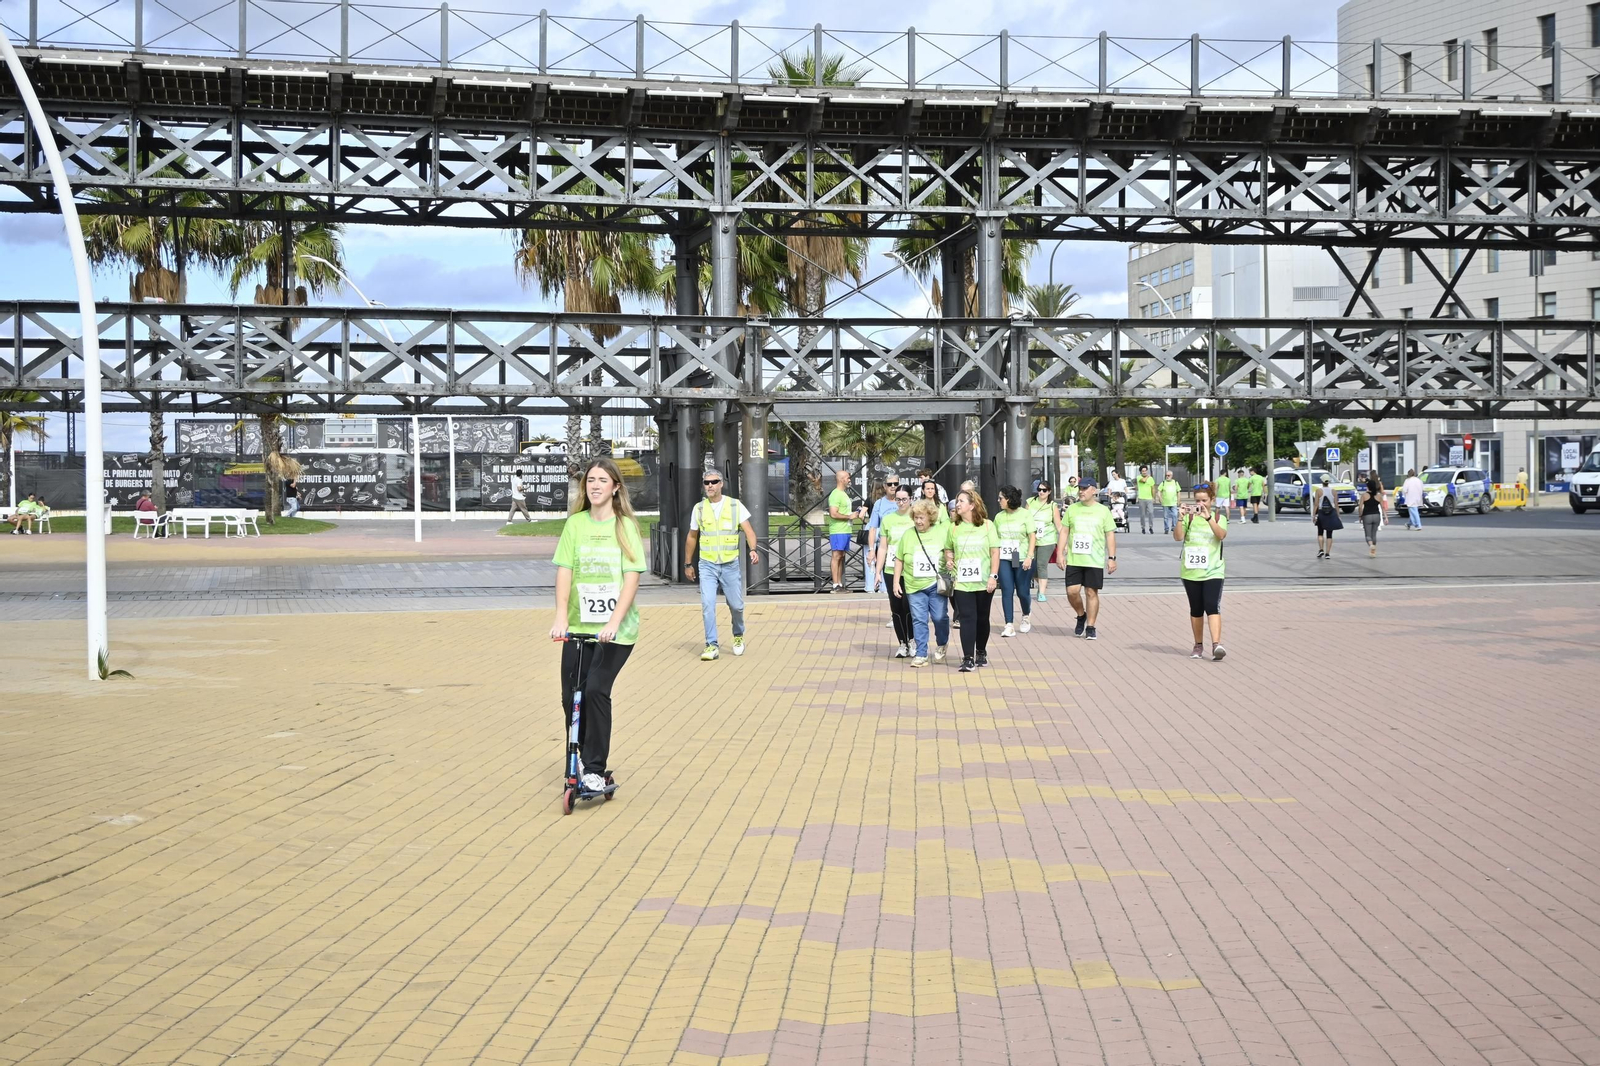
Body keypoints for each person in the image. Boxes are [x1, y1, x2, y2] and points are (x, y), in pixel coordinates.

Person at [549, 457, 646, 796]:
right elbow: (564, 570)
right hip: (578, 627)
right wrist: (561, 615)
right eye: (590, 480)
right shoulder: (575, 525)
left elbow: (632, 578)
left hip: (615, 632)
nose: (595, 485)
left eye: (603, 480)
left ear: (615, 487)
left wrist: (614, 622)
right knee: (569, 697)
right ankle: (576, 758)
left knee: (595, 692)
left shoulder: (625, 527)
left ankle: (594, 769)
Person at [684, 468, 761, 661]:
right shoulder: (699, 508)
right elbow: (692, 536)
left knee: (736, 605)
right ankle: (711, 644)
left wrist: (752, 549)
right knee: (707, 604)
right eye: (706, 482)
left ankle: (738, 635)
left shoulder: (735, 506)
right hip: (707, 565)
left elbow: (749, 531)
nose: (710, 485)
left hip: (730, 564)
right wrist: (688, 563)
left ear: (721, 484)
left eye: (714, 482)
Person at [892, 499, 951, 668]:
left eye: (922, 518)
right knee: (919, 619)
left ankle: (942, 642)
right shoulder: (908, 535)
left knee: (939, 617)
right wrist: (896, 582)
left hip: (936, 584)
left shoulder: (941, 532)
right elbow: (899, 559)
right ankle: (921, 653)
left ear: (930, 518)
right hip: (913, 585)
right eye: (916, 517)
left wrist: (949, 561)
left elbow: (949, 551)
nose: (918, 521)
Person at [1174, 483, 1228, 661]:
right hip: (1191, 571)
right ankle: (1198, 644)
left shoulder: (1218, 517)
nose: (1201, 504)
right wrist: (1181, 518)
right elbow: (1178, 537)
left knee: (1212, 606)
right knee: (1196, 609)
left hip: (1213, 570)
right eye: (1197, 500)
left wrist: (1208, 518)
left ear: (1212, 500)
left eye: (1204, 500)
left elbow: (1221, 535)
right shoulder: (1189, 518)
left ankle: (1216, 644)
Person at [949, 489, 1000, 672]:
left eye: (961, 501)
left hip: (984, 580)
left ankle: (981, 651)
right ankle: (968, 658)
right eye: (957, 501)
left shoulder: (987, 525)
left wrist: (993, 576)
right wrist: (949, 559)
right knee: (967, 617)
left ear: (972, 505)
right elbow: (948, 549)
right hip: (962, 581)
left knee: (982, 617)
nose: (958, 504)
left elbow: (995, 552)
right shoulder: (953, 527)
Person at [1063, 478, 1117, 640]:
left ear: (1094, 490)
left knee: (1091, 592)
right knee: (1072, 592)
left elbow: (1110, 534)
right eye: (1080, 488)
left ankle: (1091, 626)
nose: (1081, 491)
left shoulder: (1103, 511)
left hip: (1094, 559)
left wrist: (1112, 557)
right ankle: (1081, 615)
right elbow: (1064, 531)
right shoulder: (1072, 510)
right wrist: (1059, 553)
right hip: (1074, 559)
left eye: (1085, 488)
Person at [875, 486, 916, 658]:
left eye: (904, 499)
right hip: (891, 569)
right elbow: (883, 547)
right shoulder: (888, 519)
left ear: (911, 498)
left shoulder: (916, 517)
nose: (901, 503)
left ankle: (913, 640)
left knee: (909, 605)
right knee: (896, 607)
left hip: (911, 569)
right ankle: (902, 643)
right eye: (897, 499)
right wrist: (878, 571)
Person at [993, 485, 1035, 638]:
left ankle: (1026, 614)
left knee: (1022, 591)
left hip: (1020, 555)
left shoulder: (1025, 515)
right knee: (1007, 589)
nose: (998, 501)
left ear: (1009, 499)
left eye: (1001, 498)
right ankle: (1009, 623)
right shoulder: (999, 517)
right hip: (1004, 556)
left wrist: (1030, 556)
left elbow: (1032, 536)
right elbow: (995, 538)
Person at [825, 468, 863, 593]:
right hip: (838, 530)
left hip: (845, 529)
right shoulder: (835, 494)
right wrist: (849, 516)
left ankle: (840, 584)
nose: (849, 480)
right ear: (841, 480)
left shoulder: (844, 494)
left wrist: (853, 514)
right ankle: (835, 585)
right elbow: (833, 514)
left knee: (841, 556)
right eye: (847, 478)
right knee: (836, 555)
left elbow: (843, 512)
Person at [1026, 482, 1064, 602]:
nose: (1041, 492)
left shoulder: (1052, 505)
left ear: (1049, 492)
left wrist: (1064, 544)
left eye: (1044, 490)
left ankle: (1041, 592)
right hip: (1031, 539)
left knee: (1041, 565)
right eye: (1039, 489)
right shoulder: (1030, 502)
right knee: (1032, 567)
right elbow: (1025, 518)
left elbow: (1058, 525)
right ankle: (1042, 582)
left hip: (1047, 539)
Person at [864, 478, 901, 594]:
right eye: (890, 484)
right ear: (885, 486)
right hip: (884, 542)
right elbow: (873, 528)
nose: (893, 486)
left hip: (901, 544)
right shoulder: (879, 504)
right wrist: (871, 550)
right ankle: (875, 586)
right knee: (879, 564)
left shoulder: (904, 503)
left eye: (896, 484)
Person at [1313, 473, 1342, 559]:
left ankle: (1321, 549)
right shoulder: (1333, 491)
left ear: (1321, 481)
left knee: (1320, 532)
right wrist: (1338, 515)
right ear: (1329, 482)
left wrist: (1314, 515)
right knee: (1329, 534)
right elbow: (1336, 505)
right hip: (1331, 513)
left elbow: (1316, 505)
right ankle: (1328, 554)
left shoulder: (1318, 491)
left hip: (1322, 513)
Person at [1359, 472, 1386, 557]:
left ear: (1368, 487)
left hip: (1367, 516)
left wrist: (1360, 516)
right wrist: (1385, 517)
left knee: (1368, 535)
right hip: (1376, 516)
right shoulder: (1378, 496)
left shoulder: (1364, 495)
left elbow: (1360, 507)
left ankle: (1371, 546)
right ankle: (1373, 551)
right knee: (1374, 534)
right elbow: (1383, 507)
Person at [1157, 469, 1180, 533]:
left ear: (1172, 476)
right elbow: (1159, 491)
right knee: (1165, 517)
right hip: (1165, 503)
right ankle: (1166, 528)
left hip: (1173, 502)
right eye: (1166, 475)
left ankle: (1174, 527)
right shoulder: (1163, 483)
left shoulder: (1175, 482)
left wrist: (1179, 500)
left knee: (1175, 515)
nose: (1167, 476)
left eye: (1169, 475)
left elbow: (1178, 492)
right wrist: (1160, 498)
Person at [1135, 466, 1156, 534]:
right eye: (1143, 471)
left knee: (1151, 512)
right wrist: (1147, 476)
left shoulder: (1151, 479)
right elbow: (1143, 481)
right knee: (1143, 515)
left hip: (1149, 498)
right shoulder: (1139, 477)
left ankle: (1151, 527)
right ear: (1141, 472)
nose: (1144, 472)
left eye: (1145, 470)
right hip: (1141, 498)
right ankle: (1143, 527)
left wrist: (1154, 497)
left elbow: (1153, 488)